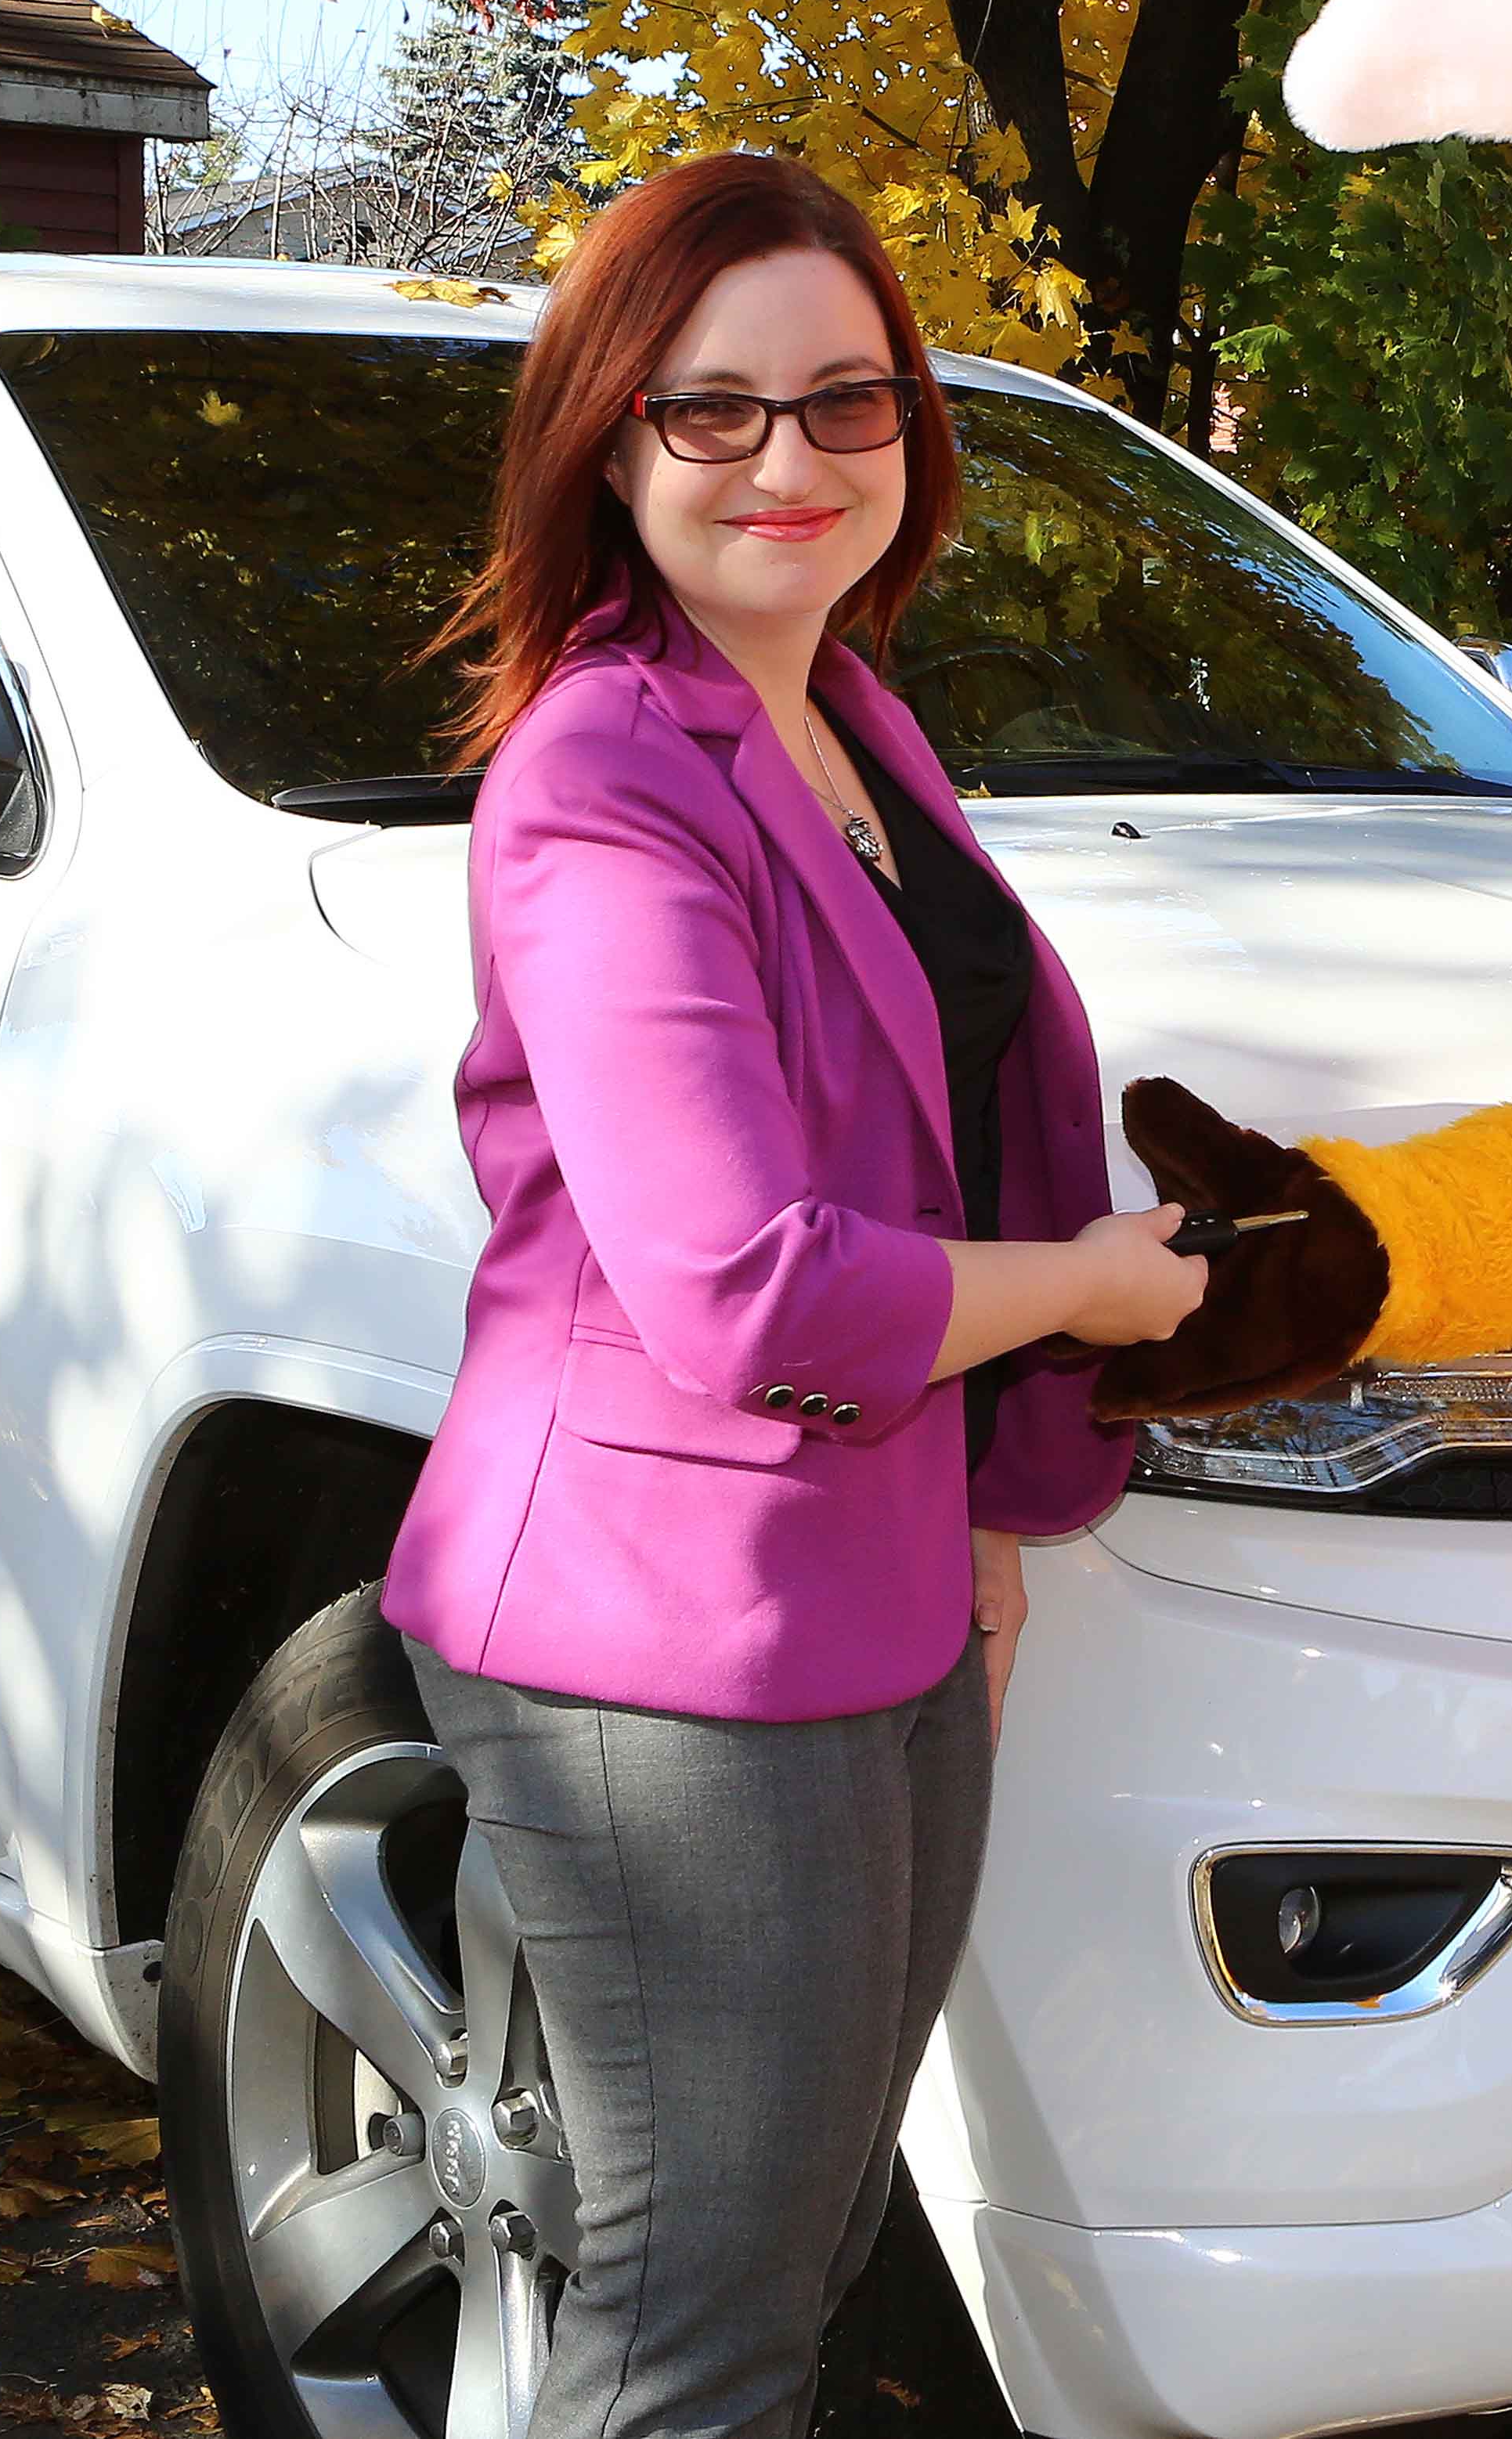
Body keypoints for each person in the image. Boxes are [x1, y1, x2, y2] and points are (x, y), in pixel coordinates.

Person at [378, 148, 1206, 2439]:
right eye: (710, 409)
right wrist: (1092, 1294)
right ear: (608, 440)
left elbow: (935, 1113)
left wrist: (988, 1522)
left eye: (844, 401)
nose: (786, 460)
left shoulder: (847, 715)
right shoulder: (599, 778)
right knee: (701, 2318)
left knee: (811, 2242)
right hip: (651, 1637)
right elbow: (739, 1277)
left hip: (878, 1586)